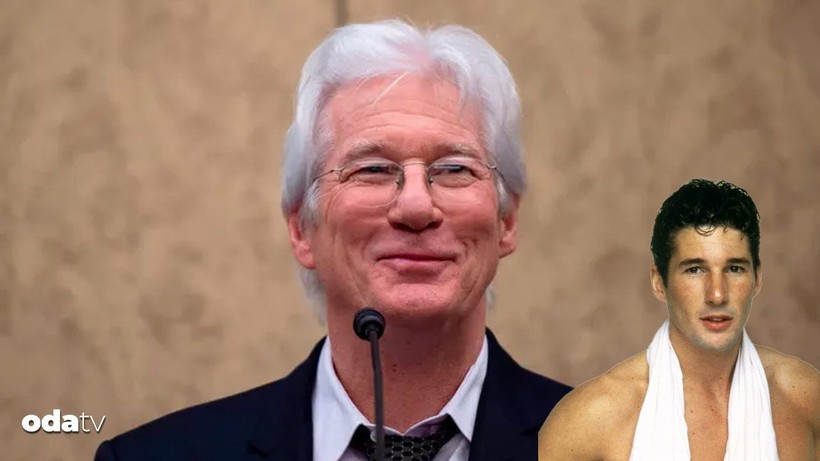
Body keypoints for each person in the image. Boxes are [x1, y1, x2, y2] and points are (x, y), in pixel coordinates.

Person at [95, 19, 571, 461]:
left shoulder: (607, 447)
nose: (416, 207)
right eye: (373, 169)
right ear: (301, 228)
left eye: (453, 169)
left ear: (507, 220)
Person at [538, 179, 820, 460]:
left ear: (757, 278)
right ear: (659, 282)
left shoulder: (804, 397)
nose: (717, 294)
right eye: (695, 269)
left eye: (734, 268)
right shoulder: (590, 421)